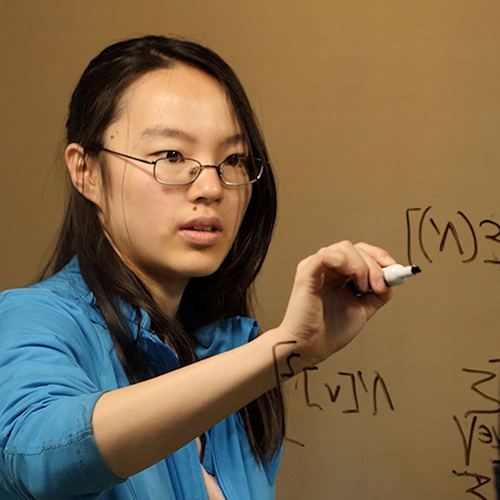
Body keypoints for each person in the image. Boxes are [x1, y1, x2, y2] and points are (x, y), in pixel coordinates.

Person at [0, 35, 396, 500]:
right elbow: (38, 459)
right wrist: (283, 350)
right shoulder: (30, 318)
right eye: (170, 155)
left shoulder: (225, 353)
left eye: (232, 159)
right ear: (86, 171)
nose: (211, 186)